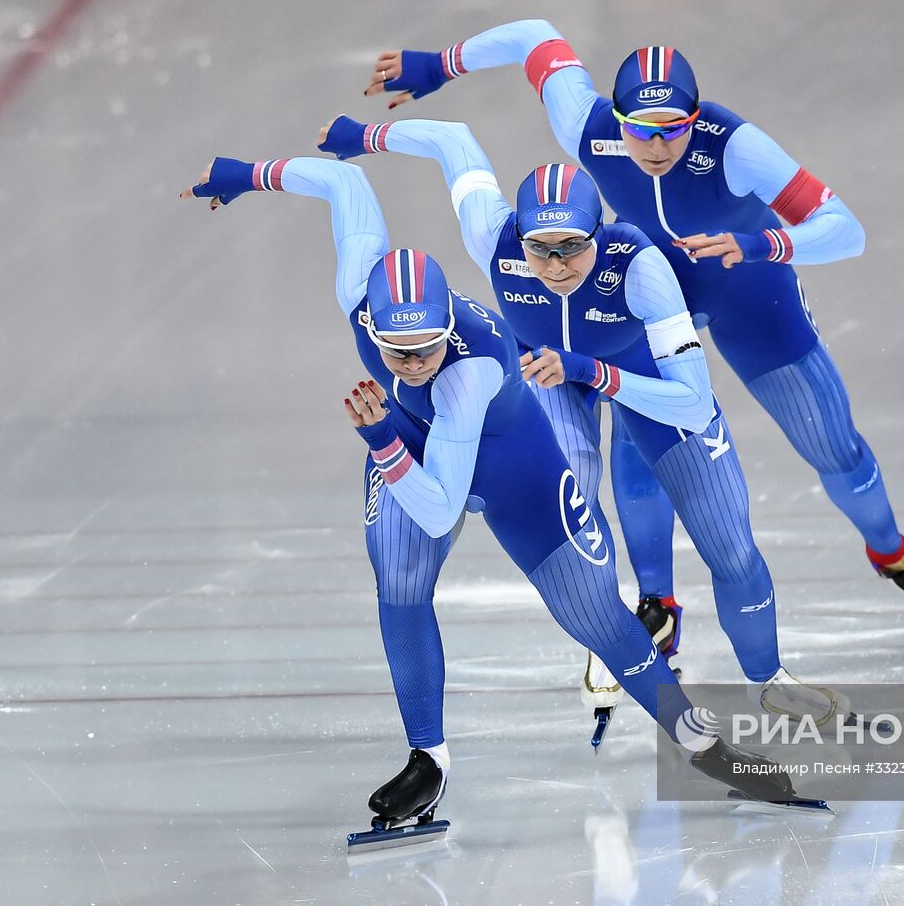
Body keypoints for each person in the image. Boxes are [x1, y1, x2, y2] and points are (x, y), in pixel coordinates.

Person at [178, 154, 803, 841]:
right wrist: (248, 175)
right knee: (400, 580)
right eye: (397, 351)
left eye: (427, 348)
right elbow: (343, 182)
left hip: (513, 469)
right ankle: (428, 759)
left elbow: (443, 507)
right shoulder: (359, 293)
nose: (414, 363)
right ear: (370, 324)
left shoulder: (467, 372)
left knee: (599, 619)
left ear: (448, 324)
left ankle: (704, 750)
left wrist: (384, 437)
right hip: (420, 444)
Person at [362, 21, 904, 644]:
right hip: (645, 293)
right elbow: (534, 38)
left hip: (747, 286)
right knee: (644, 433)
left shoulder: (735, 147)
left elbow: (845, 229)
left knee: (830, 443)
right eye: (640, 129)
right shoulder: (588, 126)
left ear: (696, 119)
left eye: (674, 130)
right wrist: (441, 63)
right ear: (617, 117)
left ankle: (892, 554)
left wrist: (762, 243)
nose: (656, 146)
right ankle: (656, 599)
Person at [315, 114, 853, 730]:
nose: (557, 264)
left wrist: (595, 371)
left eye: (573, 245)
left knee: (729, 547)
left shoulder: (640, 266)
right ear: (518, 237)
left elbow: (692, 403)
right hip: (550, 379)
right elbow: (453, 140)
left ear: (600, 234)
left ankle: (768, 680)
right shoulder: (494, 236)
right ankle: (612, 629)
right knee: (571, 505)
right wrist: (363, 138)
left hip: (639, 382)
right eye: (539, 248)